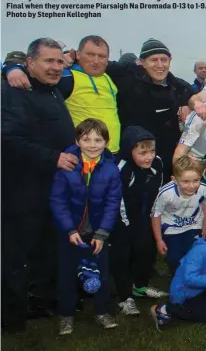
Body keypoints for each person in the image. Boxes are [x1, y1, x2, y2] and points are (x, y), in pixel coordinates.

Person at [1, 37, 76, 333]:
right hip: (22, 189)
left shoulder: (53, 90)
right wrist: (53, 157)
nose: (55, 67)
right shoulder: (14, 91)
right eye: (49, 61)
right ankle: (10, 319)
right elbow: (8, 140)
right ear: (29, 63)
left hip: (52, 188)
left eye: (59, 61)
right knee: (16, 252)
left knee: (46, 248)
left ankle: (38, 302)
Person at [50, 119, 122, 335]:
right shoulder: (67, 167)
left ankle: (101, 311)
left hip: (97, 234)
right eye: (86, 139)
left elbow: (112, 203)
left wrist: (102, 234)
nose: (92, 145)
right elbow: (57, 200)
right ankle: (67, 315)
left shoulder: (111, 170)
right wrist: (69, 230)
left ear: (106, 142)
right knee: (67, 275)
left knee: (102, 274)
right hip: (70, 233)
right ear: (77, 141)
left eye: (98, 140)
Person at [4, 35, 121, 154]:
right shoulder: (66, 77)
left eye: (101, 56)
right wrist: (12, 68)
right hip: (82, 156)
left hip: (111, 154)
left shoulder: (108, 77)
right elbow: (34, 74)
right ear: (78, 54)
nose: (96, 60)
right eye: (90, 54)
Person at [106, 38, 194, 181]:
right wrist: (71, 56)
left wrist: (190, 104)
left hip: (164, 156)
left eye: (164, 60)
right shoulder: (128, 76)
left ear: (170, 61)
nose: (160, 65)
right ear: (142, 62)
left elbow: (200, 96)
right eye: (154, 60)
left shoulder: (177, 86)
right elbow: (99, 62)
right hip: (132, 157)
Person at [109, 126, 167, 317]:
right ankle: (124, 297)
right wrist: (125, 224)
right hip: (122, 220)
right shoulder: (121, 168)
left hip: (145, 216)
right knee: (123, 256)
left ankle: (140, 286)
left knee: (146, 250)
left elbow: (158, 188)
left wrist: (153, 215)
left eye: (152, 151)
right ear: (129, 150)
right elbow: (118, 199)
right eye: (142, 153)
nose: (148, 156)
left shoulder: (157, 163)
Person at [151, 156, 206, 275]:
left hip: (194, 226)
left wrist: (204, 228)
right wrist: (159, 240)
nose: (192, 186)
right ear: (175, 180)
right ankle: (177, 281)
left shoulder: (204, 189)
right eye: (186, 181)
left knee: (193, 257)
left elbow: (205, 207)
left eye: (196, 180)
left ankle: (192, 281)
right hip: (171, 229)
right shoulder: (166, 193)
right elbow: (156, 215)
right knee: (174, 259)